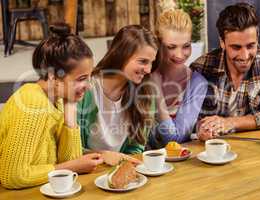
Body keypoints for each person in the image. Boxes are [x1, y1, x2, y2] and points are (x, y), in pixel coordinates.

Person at [0, 23, 103, 189]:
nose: (89, 86)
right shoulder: (32, 101)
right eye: (81, 78)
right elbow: (12, 176)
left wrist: (71, 107)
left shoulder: (59, 99)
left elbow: (70, 160)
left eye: (89, 77)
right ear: (53, 76)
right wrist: (71, 167)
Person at [190, 3, 260, 141]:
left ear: (257, 38)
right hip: (216, 148)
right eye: (236, 47)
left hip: (258, 144)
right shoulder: (201, 68)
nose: (245, 56)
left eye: (251, 45)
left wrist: (229, 122)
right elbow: (193, 120)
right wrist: (202, 128)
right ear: (222, 43)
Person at [77, 25, 158, 158]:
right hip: (85, 169)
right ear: (122, 55)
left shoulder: (145, 93)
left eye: (151, 63)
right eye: (143, 62)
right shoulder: (86, 89)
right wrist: (104, 156)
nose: (148, 70)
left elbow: (136, 147)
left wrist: (122, 164)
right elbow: (72, 148)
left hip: (121, 167)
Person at [149, 8, 207, 147]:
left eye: (186, 46)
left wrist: (156, 90)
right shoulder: (141, 74)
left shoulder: (197, 84)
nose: (180, 55)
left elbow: (175, 140)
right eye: (171, 47)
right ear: (158, 44)